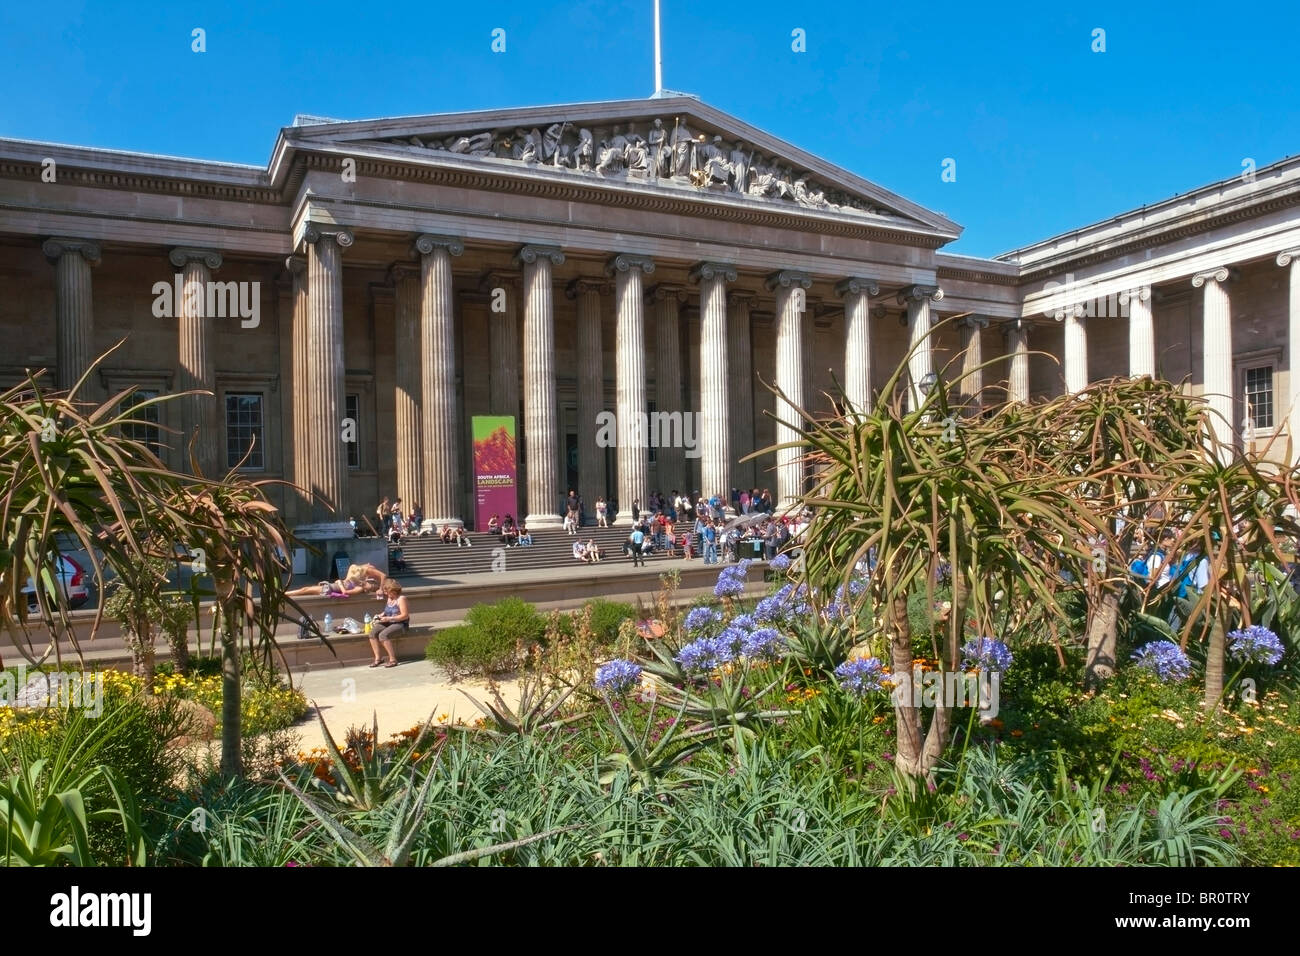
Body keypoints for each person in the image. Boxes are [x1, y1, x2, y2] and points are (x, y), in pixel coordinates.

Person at [368, 579, 408, 668]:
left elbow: (405, 615)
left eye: (387, 591)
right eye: (385, 591)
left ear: (393, 590)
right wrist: (380, 615)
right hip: (389, 621)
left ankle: (393, 659)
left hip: (400, 624)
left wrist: (389, 618)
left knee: (383, 635)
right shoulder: (390, 598)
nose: (386, 593)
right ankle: (378, 658)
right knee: (372, 633)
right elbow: (387, 611)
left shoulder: (401, 599)